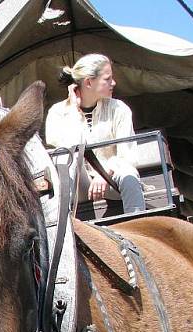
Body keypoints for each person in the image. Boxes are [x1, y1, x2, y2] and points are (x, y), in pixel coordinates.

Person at [45, 53, 145, 213]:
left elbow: (128, 156)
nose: (113, 83)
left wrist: (104, 174)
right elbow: (67, 154)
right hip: (79, 186)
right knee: (65, 161)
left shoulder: (119, 109)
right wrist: (73, 111)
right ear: (89, 82)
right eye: (107, 79)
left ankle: (138, 222)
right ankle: (64, 227)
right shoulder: (58, 112)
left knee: (128, 173)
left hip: (112, 183)